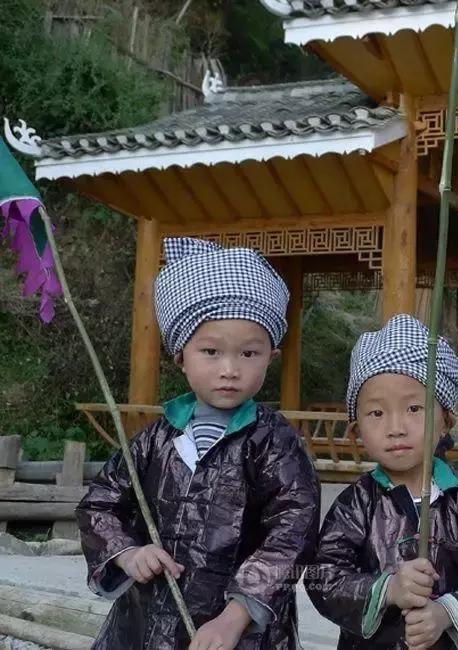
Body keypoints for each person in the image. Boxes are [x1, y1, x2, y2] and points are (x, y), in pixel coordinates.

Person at [76, 238, 321, 649]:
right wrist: (128, 554)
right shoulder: (155, 440)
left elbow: (292, 532)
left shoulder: (275, 443)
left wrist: (237, 614)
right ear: (181, 357)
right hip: (147, 619)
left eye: (248, 353)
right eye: (210, 351)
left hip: (238, 631)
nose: (229, 369)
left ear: (271, 357)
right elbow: (100, 503)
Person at [305, 314, 458, 649]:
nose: (396, 427)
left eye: (414, 408)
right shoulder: (355, 505)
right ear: (355, 431)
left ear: (446, 422)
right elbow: (323, 577)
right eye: (376, 413)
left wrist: (448, 612)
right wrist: (387, 590)